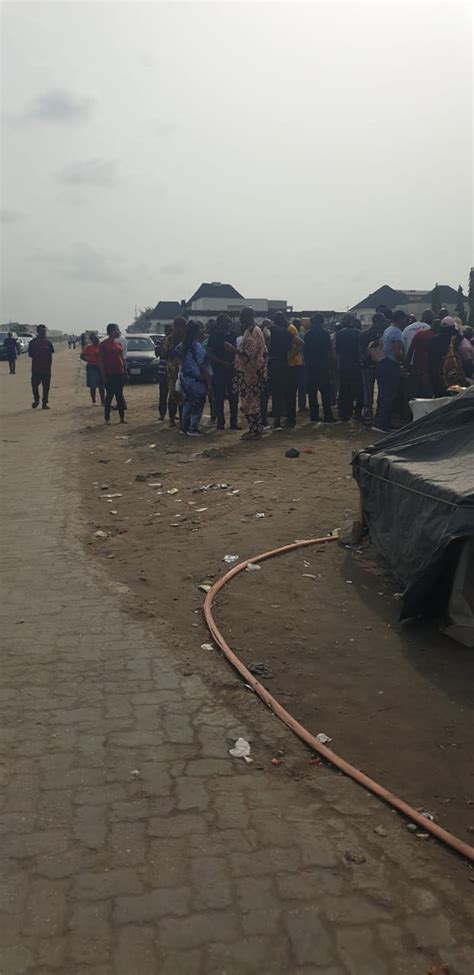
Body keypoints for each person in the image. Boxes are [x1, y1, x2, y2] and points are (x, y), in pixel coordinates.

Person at [228, 307, 267, 440]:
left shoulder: (253, 332)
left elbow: (247, 356)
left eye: (242, 316)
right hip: (247, 373)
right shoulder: (252, 331)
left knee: (251, 403)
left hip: (250, 375)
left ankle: (256, 431)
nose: (240, 319)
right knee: (247, 403)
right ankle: (253, 429)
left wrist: (233, 349)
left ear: (248, 317)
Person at [175, 320, 211, 436]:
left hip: (185, 378)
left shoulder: (182, 345)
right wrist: (209, 382)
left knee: (187, 403)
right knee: (198, 404)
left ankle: (184, 428)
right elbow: (202, 366)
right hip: (197, 380)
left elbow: (176, 358)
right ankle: (193, 429)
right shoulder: (197, 347)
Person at [206, 313, 239, 430]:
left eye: (229, 321)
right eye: (227, 321)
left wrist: (235, 364)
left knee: (234, 398)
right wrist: (221, 362)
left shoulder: (234, 335)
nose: (229, 324)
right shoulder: (214, 336)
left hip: (232, 370)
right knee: (219, 398)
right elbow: (209, 353)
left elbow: (237, 351)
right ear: (220, 323)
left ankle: (234, 423)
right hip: (219, 370)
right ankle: (220, 423)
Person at [304, 314, 335, 423]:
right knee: (326, 393)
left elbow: (305, 352)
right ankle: (328, 415)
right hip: (323, 366)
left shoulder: (307, 335)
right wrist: (331, 365)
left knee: (312, 392)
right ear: (322, 322)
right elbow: (329, 351)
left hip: (311, 366)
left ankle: (314, 415)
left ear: (312, 322)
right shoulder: (325, 334)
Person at [367, 340, 401, 433]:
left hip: (383, 366)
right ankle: (381, 424)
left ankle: (383, 422)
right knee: (387, 397)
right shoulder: (376, 346)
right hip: (387, 366)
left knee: (384, 396)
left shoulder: (376, 345)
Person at [428, 316, 466, 396]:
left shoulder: (432, 340)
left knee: (439, 397)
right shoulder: (456, 339)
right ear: (452, 327)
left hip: (436, 375)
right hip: (452, 375)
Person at [266, 313, 292, 430]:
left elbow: (267, 339)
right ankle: (277, 421)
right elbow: (298, 344)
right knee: (279, 394)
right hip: (283, 363)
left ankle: (264, 422)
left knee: (265, 393)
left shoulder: (270, 329)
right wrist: (289, 357)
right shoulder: (287, 332)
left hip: (271, 363)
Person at [98, 323, 127, 424]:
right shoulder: (103, 344)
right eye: (117, 330)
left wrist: (125, 369)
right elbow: (100, 361)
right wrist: (103, 375)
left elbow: (122, 358)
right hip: (109, 373)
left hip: (120, 372)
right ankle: (107, 419)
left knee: (119, 396)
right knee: (109, 396)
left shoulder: (118, 344)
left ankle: (122, 418)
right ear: (111, 331)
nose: (119, 332)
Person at [335, 317, 363, 420]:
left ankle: (344, 412)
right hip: (356, 364)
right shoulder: (359, 333)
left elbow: (337, 350)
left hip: (343, 364)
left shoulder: (340, 334)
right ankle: (357, 413)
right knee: (358, 389)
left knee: (344, 388)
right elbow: (360, 350)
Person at [359, 313, 385, 418]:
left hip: (367, 365)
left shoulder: (364, 334)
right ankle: (379, 412)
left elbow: (360, 351)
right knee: (382, 390)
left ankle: (368, 412)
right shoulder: (384, 334)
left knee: (368, 391)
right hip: (380, 364)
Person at [163, 317, 186, 428]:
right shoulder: (169, 339)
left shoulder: (186, 339)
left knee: (183, 394)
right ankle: (172, 419)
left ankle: (182, 419)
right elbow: (166, 354)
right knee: (173, 395)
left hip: (184, 370)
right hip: (172, 371)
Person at [284, 313, 304, 427]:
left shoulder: (290, 330)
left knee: (290, 393)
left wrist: (291, 355)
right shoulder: (290, 328)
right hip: (293, 364)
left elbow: (300, 344)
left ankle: (291, 418)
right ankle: (289, 416)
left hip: (294, 364)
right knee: (290, 393)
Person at [29, 324, 54, 410]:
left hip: (46, 369)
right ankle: (36, 399)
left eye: (45, 331)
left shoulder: (48, 343)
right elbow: (31, 355)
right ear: (38, 331)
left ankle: (44, 403)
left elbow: (51, 355)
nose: (44, 332)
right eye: (42, 331)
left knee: (46, 387)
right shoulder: (33, 343)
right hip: (36, 368)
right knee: (34, 385)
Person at [409, 318, 435, 398]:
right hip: (429, 368)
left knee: (414, 391)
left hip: (417, 366)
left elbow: (411, 349)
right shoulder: (436, 337)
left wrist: (407, 364)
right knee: (427, 393)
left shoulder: (419, 334)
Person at [81, 332, 105, 404]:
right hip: (92, 367)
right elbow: (82, 356)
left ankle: (103, 401)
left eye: (97, 338)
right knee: (93, 385)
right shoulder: (89, 348)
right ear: (92, 340)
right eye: (94, 339)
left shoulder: (102, 347)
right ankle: (94, 401)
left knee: (102, 385)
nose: (96, 340)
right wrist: (89, 359)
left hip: (101, 367)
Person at [157, 323, 172, 421]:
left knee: (172, 394)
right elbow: (158, 353)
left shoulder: (175, 341)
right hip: (163, 370)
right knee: (163, 394)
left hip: (172, 370)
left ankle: (171, 415)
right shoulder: (161, 341)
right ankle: (162, 414)